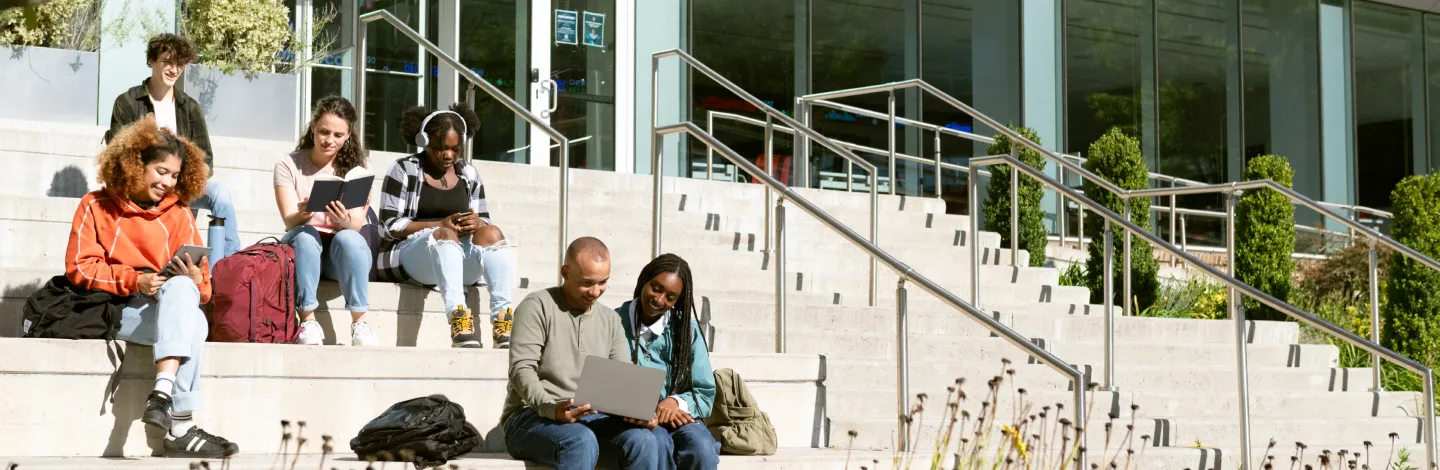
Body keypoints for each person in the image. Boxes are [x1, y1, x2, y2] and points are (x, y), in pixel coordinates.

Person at [66, 116, 239, 458]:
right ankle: (181, 425)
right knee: (195, 322)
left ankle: (161, 394)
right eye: (161, 171)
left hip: (167, 311)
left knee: (187, 296)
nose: (168, 182)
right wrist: (135, 279)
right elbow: (79, 267)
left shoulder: (179, 213)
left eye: (175, 175)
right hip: (117, 309)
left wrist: (195, 280)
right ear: (135, 164)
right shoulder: (95, 205)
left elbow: (204, 289)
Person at [502, 237, 668, 470]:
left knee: (645, 440)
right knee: (580, 440)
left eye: (603, 282)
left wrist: (638, 412)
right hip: (530, 416)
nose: (595, 291)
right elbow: (521, 369)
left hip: (591, 417)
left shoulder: (611, 319)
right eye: (587, 283)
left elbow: (623, 381)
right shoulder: (536, 306)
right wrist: (551, 409)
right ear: (565, 273)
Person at [373, 103, 518, 348]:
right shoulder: (404, 169)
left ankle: (503, 323)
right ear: (424, 141)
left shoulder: (469, 173)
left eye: (455, 149)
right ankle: (459, 320)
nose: (448, 155)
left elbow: (484, 219)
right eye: (441, 148)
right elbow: (387, 226)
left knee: (492, 233)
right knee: (444, 234)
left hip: (456, 256)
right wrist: (438, 225)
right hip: (411, 257)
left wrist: (477, 222)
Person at [104, 33, 240, 270]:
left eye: (179, 64)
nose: (174, 69)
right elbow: (117, 155)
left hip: (181, 184)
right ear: (151, 61)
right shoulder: (127, 102)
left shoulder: (189, 107)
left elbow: (206, 158)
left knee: (220, 193)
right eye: (167, 62)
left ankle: (227, 268)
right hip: (142, 185)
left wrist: (184, 181)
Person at [273, 96, 375, 346]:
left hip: (337, 254)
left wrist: (344, 219)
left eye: (338, 135)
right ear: (313, 128)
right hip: (303, 246)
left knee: (349, 237)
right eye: (324, 132)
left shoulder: (359, 168)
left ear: (348, 135)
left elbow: (356, 226)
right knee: (306, 236)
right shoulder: (289, 165)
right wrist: (304, 214)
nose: (330, 140)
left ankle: (360, 322)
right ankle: (307, 320)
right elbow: (289, 221)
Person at [616, 254, 720, 470]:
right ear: (644, 280)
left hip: (678, 416)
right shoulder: (613, 322)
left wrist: (675, 403)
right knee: (658, 442)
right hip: (632, 419)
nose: (659, 300)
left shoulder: (687, 331)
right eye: (656, 288)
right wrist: (647, 408)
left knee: (702, 448)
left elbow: (704, 393)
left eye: (670, 297)